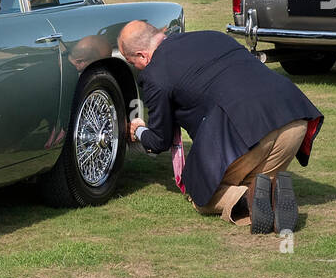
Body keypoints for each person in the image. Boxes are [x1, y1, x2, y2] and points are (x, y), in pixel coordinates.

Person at [118, 22, 324, 234]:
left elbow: (160, 140)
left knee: (201, 195)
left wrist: (138, 130)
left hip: (245, 131)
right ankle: (270, 197)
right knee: (254, 181)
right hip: (294, 116)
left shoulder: (155, 75)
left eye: (132, 62)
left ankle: (247, 200)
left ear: (143, 56)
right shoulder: (212, 35)